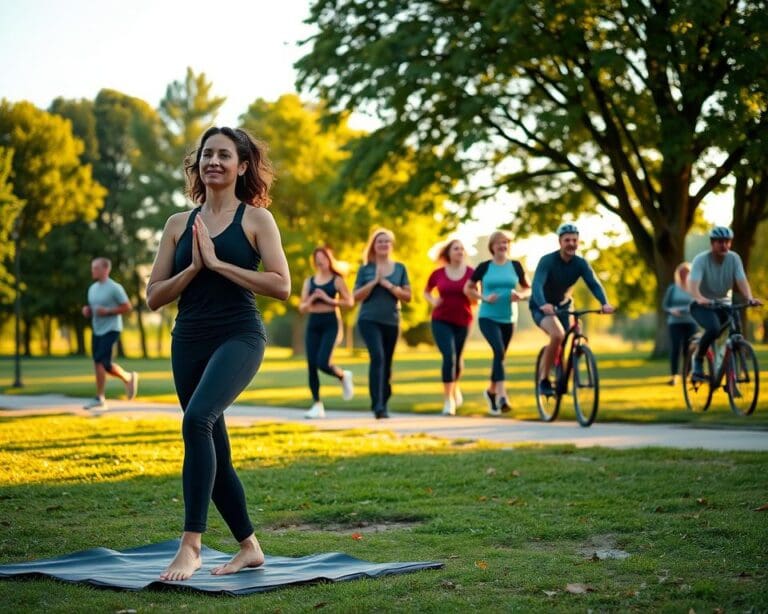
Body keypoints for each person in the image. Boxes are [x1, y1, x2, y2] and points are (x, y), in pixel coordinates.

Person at [145, 127, 290, 582]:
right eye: (207, 154)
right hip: (188, 338)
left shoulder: (256, 220)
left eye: (224, 155)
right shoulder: (177, 224)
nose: (214, 162)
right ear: (198, 164)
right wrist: (192, 267)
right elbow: (153, 296)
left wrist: (220, 264)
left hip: (239, 335)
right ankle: (250, 547)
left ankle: (191, 545)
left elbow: (281, 285)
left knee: (196, 421)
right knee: (215, 449)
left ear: (242, 166)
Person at [530, 223, 615, 396]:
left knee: (576, 335)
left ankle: (567, 371)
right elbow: (537, 284)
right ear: (560, 242)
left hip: (565, 306)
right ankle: (544, 379)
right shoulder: (548, 261)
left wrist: (604, 302)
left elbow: (594, 284)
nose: (571, 243)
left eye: (574, 240)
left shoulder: (581, 264)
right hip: (542, 306)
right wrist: (543, 304)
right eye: (567, 240)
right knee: (557, 335)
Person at [464, 230, 530, 415]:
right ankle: (502, 396)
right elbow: (468, 288)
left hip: (509, 318)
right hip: (487, 317)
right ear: (492, 246)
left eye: (506, 243)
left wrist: (521, 295)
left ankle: (490, 392)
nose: (503, 246)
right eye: (499, 243)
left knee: (499, 356)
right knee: (499, 351)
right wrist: (483, 297)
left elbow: (528, 288)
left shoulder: (516, 266)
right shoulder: (484, 267)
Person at [687, 226, 762, 380]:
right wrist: (699, 298)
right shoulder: (701, 260)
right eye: (720, 242)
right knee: (714, 329)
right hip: (701, 305)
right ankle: (698, 361)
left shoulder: (734, 258)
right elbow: (693, 284)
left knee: (736, 333)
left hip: (723, 304)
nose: (724, 245)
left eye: (727, 242)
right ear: (712, 243)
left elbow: (741, 279)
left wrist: (749, 297)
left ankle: (730, 375)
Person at [353, 228, 411, 419]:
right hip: (369, 319)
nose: (384, 244)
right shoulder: (365, 269)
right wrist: (373, 282)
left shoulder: (400, 268)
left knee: (387, 363)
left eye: (387, 241)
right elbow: (356, 296)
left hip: (391, 321)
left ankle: (384, 399)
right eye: (380, 242)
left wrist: (388, 285)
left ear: (391, 245)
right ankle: (377, 405)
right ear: (374, 246)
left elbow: (408, 296)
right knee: (377, 357)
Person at [298, 246, 355, 419]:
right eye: (317, 259)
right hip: (313, 323)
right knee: (311, 365)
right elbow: (302, 307)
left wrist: (329, 299)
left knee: (323, 362)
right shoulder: (310, 281)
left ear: (329, 260)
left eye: (323, 258)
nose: (320, 261)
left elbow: (350, 301)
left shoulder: (337, 280)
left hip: (331, 322)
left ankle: (343, 375)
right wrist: (313, 299)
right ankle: (317, 405)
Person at [424, 239, 475, 416]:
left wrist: (472, 295)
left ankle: (455, 386)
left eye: (462, 249)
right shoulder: (438, 273)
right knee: (449, 356)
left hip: (463, 320)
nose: (460, 252)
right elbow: (426, 291)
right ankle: (448, 400)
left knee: (458, 358)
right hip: (441, 319)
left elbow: (476, 297)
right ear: (448, 253)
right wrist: (433, 300)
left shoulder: (471, 273)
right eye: (456, 249)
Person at [81, 257, 138, 410]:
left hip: (112, 328)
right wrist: (87, 311)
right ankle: (121, 382)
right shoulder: (92, 288)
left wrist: (108, 311)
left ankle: (105, 393)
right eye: (93, 268)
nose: (93, 270)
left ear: (106, 269)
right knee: (100, 364)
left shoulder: (115, 288)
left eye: (96, 268)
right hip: (97, 329)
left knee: (102, 362)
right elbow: (93, 309)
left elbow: (127, 307)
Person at [662, 262, 697, 385]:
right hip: (675, 322)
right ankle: (673, 376)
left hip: (691, 321)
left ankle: (688, 374)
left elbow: (698, 302)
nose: (684, 275)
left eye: (686, 273)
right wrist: (672, 310)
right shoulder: (672, 289)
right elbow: (665, 305)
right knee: (676, 348)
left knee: (689, 349)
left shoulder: (694, 288)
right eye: (682, 273)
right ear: (678, 274)